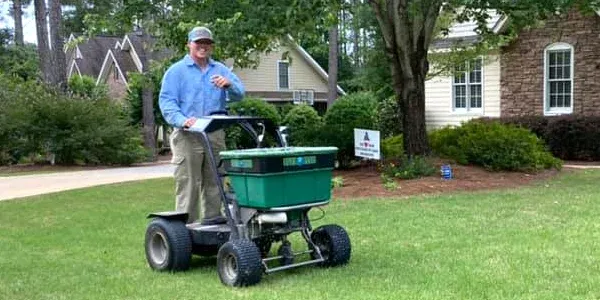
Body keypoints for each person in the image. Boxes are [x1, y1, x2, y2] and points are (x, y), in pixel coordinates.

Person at [159, 26, 245, 225]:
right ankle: (185, 231)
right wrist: (182, 120)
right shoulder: (176, 72)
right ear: (189, 44)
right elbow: (167, 102)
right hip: (188, 134)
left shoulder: (221, 70)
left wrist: (228, 85)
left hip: (214, 133)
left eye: (207, 43)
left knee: (215, 181)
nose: (203, 47)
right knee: (189, 182)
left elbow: (240, 93)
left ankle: (212, 224)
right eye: (199, 43)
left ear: (211, 47)